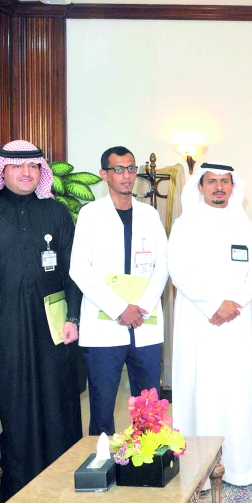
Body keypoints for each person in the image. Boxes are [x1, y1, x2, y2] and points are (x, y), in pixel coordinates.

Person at [0, 140, 82, 502]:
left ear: (42, 171)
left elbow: (73, 271)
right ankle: (5, 486)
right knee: (6, 401)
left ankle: (57, 478)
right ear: (1, 171)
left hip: (51, 328)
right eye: (17, 166)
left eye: (33, 166)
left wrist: (73, 317)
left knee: (54, 399)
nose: (26, 173)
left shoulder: (57, 213)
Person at [168, 161, 252, 486]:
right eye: (212, 181)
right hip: (198, 320)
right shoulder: (185, 225)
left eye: (225, 181)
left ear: (233, 187)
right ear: (200, 186)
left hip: (236, 320)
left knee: (235, 390)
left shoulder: (246, 227)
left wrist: (233, 303)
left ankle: (240, 466)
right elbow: (178, 271)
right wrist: (213, 305)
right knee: (200, 388)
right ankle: (197, 469)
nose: (219, 187)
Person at [70, 146, 169, 436]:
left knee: (148, 408)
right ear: (104, 174)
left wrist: (141, 306)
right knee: (102, 408)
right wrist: (119, 308)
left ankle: (148, 458)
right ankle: (101, 460)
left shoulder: (149, 214)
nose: (126, 175)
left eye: (131, 168)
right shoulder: (90, 214)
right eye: (118, 169)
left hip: (145, 322)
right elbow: (79, 269)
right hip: (105, 324)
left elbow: (163, 264)